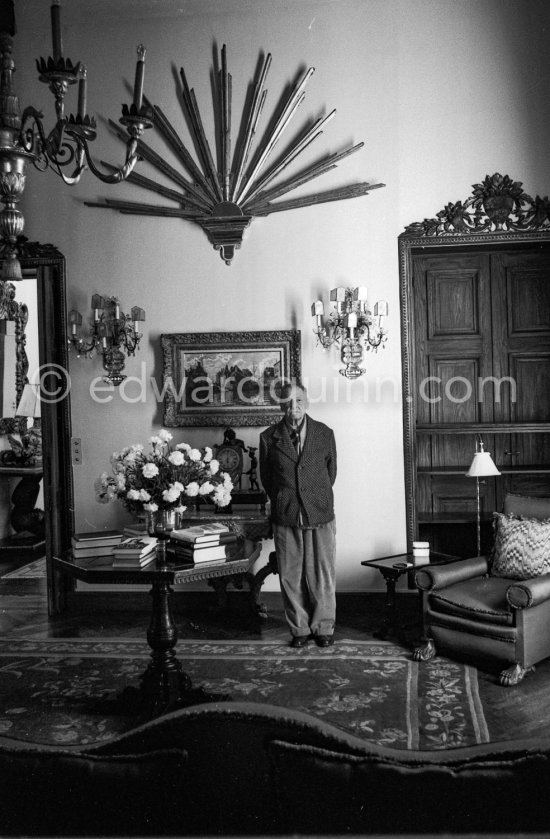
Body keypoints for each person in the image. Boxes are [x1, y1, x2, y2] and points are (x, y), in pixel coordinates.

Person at [259, 381, 337, 647]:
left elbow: (331, 473)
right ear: (280, 404)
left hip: (320, 511)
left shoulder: (324, 433)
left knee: (322, 573)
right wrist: (284, 498)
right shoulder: (268, 437)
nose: (294, 406)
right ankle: (300, 629)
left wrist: (314, 494)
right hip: (286, 512)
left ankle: (323, 627)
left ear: (307, 401)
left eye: (299, 400)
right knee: (290, 575)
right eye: (287, 401)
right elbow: (267, 479)